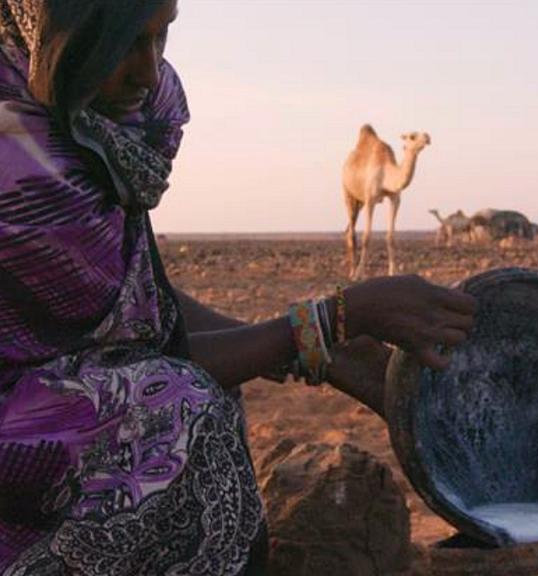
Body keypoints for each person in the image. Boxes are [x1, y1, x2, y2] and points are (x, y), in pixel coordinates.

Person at [0, 1, 477, 574]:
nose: (150, 72)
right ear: (62, 28)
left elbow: (137, 301)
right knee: (179, 409)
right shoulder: (19, 159)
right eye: (125, 42)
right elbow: (121, 354)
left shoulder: (95, 114)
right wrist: (327, 325)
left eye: (163, 35)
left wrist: (320, 348)